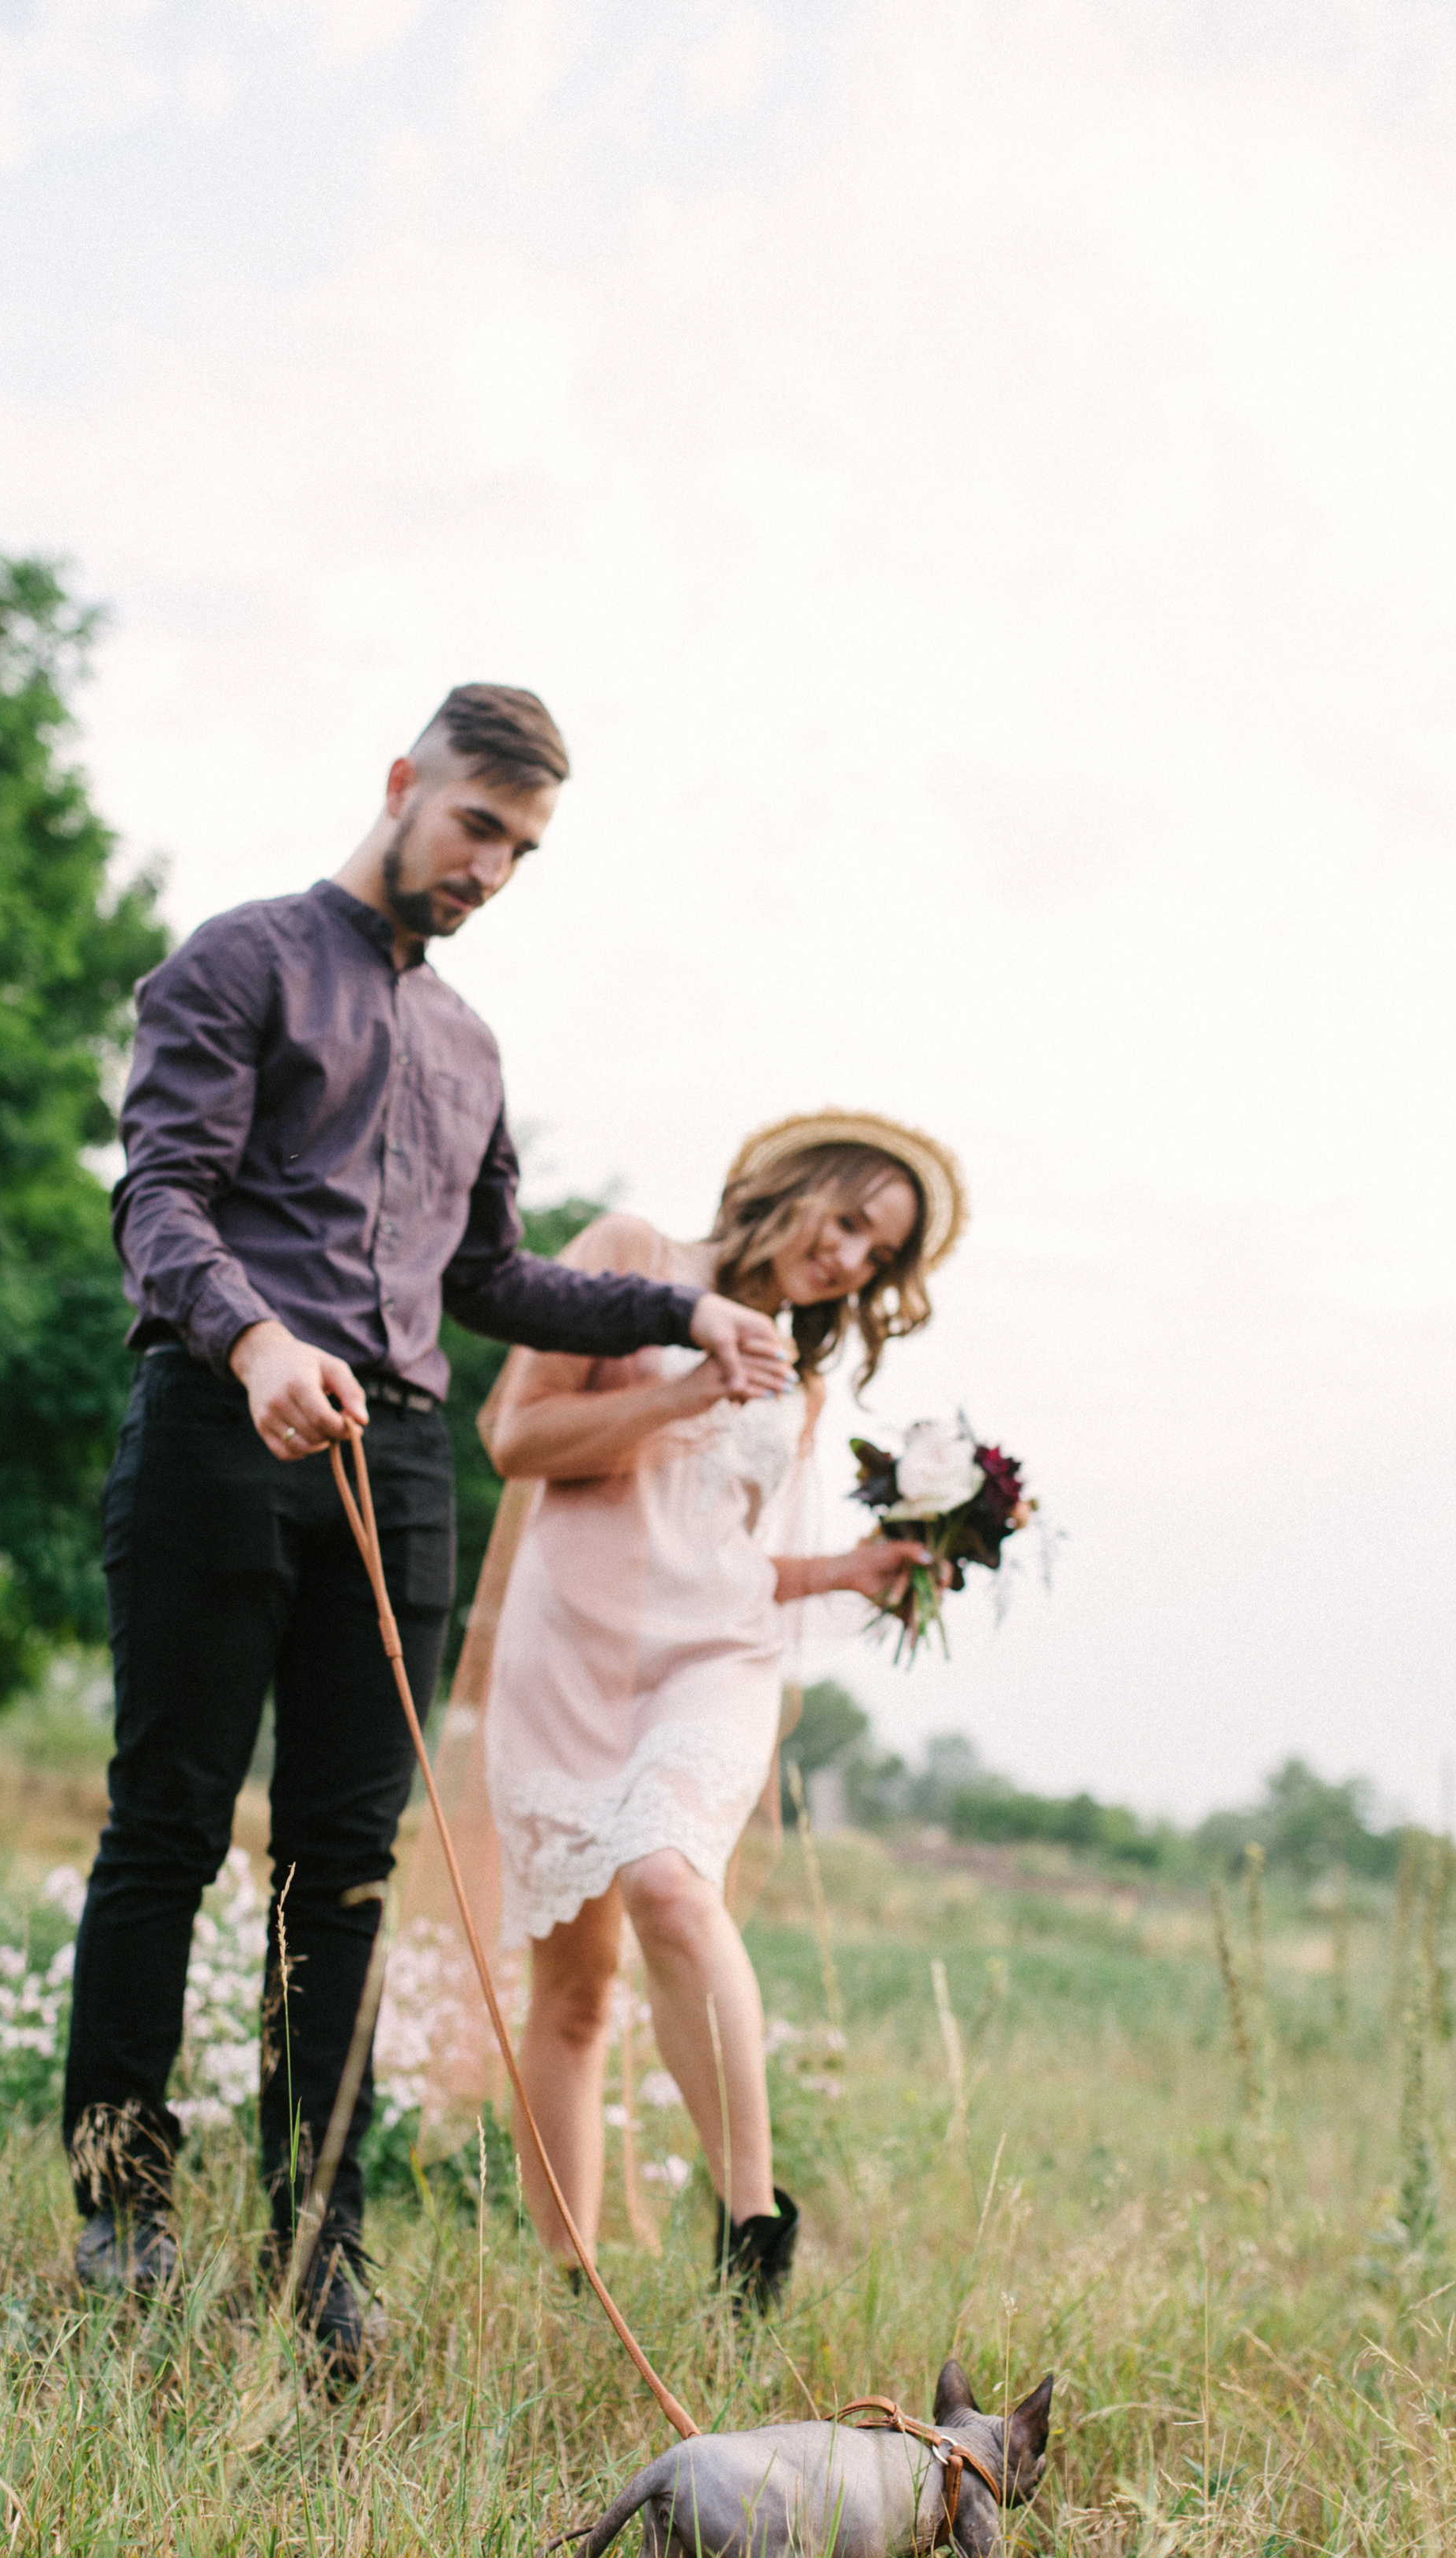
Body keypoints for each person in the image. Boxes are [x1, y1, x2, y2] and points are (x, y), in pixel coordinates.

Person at [59, 684, 793, 2367]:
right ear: (402, 785)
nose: (490, 867)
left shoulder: (469, 1047)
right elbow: (155, 1196)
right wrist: (250, 1339)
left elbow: (491, 1283)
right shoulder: (236, 960)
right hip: (217, 1422)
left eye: (521, 850)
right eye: (476, 824)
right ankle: (123, 2207)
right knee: (167, 1821)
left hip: (392, 1471)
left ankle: (318, 2246)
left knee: (342, 1866)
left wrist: (682, 1318)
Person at [463, 1112, 966, 2306]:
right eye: (847, 1222)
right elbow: (513, 1437)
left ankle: (752, 2226)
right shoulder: (634, 1254)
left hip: (714, 1661)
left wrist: (846, 1569)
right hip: (568, 1662)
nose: (850, 1261)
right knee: (575, 1993)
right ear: (786, 1190)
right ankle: (571, 2283)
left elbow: (725, 1557)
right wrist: (688, 1386)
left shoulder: (795, 1382)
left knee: (669, 1880)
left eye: (877, 1255)